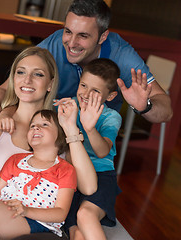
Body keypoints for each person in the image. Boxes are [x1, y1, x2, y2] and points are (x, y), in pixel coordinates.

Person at [0, 46, 97, 239]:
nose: (27, 80)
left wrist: (71, 129)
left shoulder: (58, 127)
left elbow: (88, 187)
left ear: (50, 84)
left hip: (26, 219)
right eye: (20, 72)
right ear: (13, 79)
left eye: (37, 74)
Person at [0, 0, 172, 126]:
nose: (71, 43)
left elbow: (166, 110)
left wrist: (144, 106)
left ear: (103, 37)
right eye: (68, 31)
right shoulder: (53, 42)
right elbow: (5, 89)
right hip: (49, 128)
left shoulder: (122, 55)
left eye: (83, 36)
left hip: (94, 139)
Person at [0, 109, 82, 239]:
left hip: (37, 224)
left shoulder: (65, 169)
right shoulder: (16, 160)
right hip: (5, 215)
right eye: (32, 126)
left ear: (61, 134)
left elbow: (61, 213)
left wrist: (27, 210)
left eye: (44, 124)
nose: (36, 128)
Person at [54, 58, 122, 240]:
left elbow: (102, 151)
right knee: (74, 229)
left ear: (110, 96)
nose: (86, 94)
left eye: (96, 91)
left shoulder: (110, 117)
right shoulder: (71, 105)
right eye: (83, 85)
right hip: (71, 177)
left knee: (85, 215)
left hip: (101, 176)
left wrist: (89, 128)